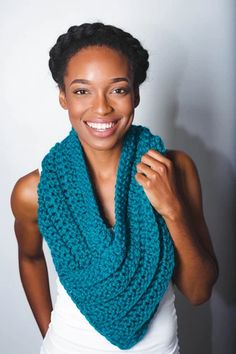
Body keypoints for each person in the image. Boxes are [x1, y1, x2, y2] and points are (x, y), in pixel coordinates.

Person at [10, 23, 218, 354]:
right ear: (63, 97)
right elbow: (29, 257)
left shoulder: (174, 170)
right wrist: (48, 333)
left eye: (118, 90)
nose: (102, 108)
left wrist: (172, 209)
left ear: (135, 94)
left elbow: (198, 291)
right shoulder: (35, 191)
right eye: (82, 91)